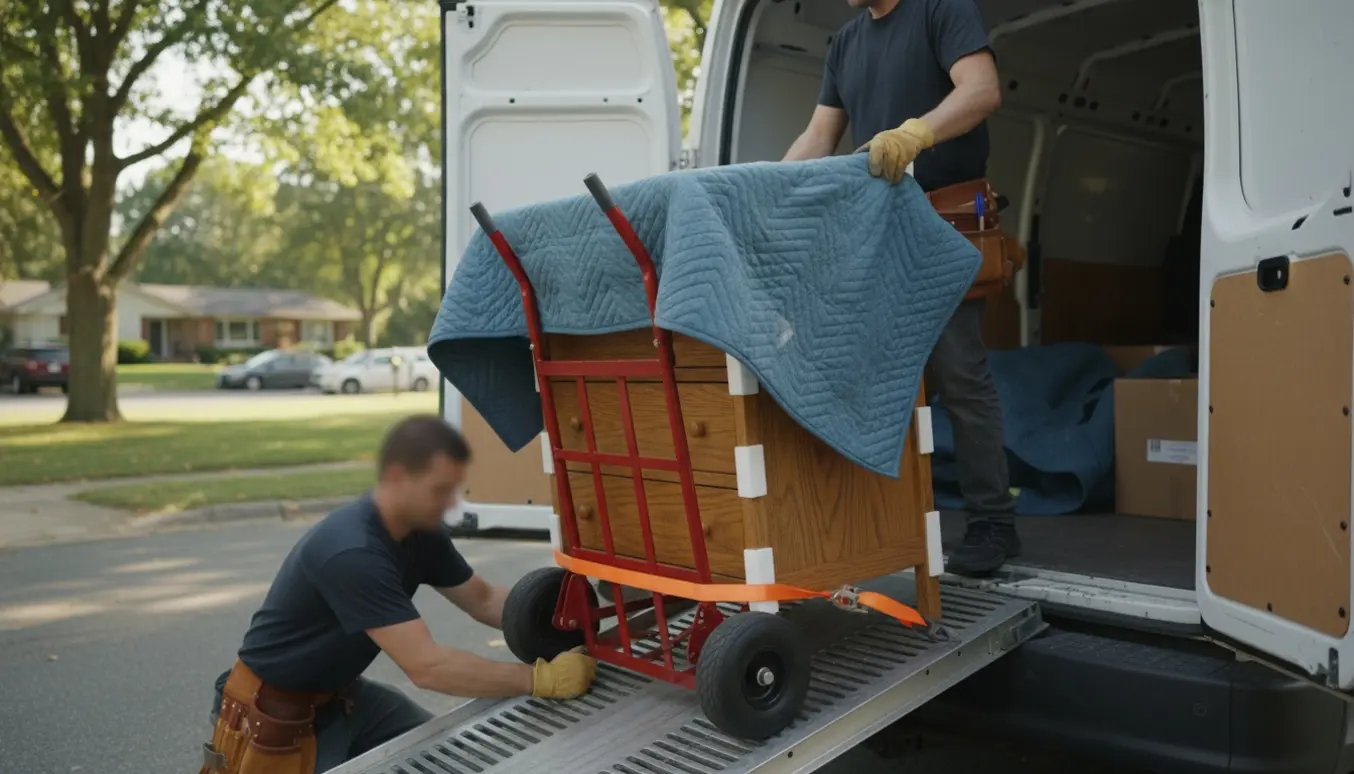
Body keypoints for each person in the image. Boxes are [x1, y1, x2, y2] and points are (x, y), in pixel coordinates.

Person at [201, 415, 596, 774]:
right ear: (396, 477)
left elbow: (485, 600)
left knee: (452, 759)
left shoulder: (420, 532)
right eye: (440, 490)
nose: (451, 504)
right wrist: (539, 679)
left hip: (342, 697)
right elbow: (427, 667)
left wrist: (561, 620)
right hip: (273, 715)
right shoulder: (354, 552)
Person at [783, 0, 1018, 576]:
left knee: (961, 373)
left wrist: (917, 133)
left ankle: (993, 523)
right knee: (875, 379)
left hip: (945, 223)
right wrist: (773, 187)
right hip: (880, 226)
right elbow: (820, 133)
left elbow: (982, 89)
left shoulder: (942, 9)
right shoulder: (845, 41)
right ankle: (893, 521)